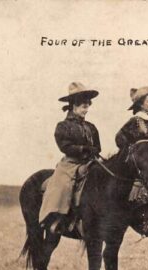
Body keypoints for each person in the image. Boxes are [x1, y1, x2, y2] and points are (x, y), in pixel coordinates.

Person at [39, 82, 101, 233]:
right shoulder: (63, 126)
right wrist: (83, 149)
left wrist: (93, 151)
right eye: (83, 107)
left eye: (87, 106)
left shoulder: (91, 127)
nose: (86, 110)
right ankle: (57, 218)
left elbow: (98, 147)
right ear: (74, 106)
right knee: (63, 184)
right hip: (71, 163)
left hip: (90, 161)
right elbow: (64, 146)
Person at [116, 86, 148, 237]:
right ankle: (145, 222)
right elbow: (119, 138)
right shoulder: (136, 121)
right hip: (141, 165)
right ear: (141, 104)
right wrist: (133, 150)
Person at [116, 86, 148, 155]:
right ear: (141, 105)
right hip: (141, 162)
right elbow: (119, 138)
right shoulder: (135, 120)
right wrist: (132, 151)